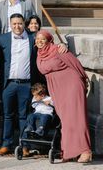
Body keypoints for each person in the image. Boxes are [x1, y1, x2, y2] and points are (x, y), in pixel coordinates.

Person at [35, 30, 92, 163]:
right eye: (37, 39)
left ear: (49, 40)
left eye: (43, 39)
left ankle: (85, 151)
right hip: (58, 90)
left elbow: (76, 64)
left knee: (77, 118)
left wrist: (83, 82)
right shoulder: (39, 54)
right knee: (66, 120)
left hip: (72, 85)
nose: (40, 41)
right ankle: (69, 151)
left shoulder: (57, 49)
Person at [0, 13, 43, 156]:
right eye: (14, 24)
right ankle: (6, 144)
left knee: (24, 116)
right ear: (10, 24)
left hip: (26, 84)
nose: (17, 26)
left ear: (24, 24)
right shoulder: (2, 39)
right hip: (8, 84)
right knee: (7, 115)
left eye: (20, 23)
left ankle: (25, 146)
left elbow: (46, 45)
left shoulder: (32, 38)